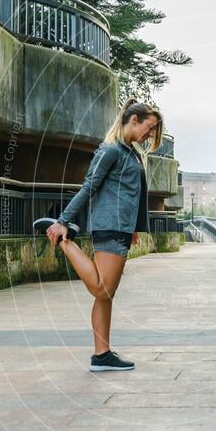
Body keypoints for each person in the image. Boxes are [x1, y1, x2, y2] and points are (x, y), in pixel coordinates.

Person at [33, 99, 163, 371]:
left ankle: (101, 354)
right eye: (148, 128)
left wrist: (135, 228)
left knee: (106, 295)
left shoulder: (131, 152)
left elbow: (133, 193)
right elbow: (89, 185)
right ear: (134, 120)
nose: (149, 134)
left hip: (122, 227)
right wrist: (63, 221)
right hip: (109, 224)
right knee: (102, 288)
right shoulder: (110, 150)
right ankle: (64, 241)